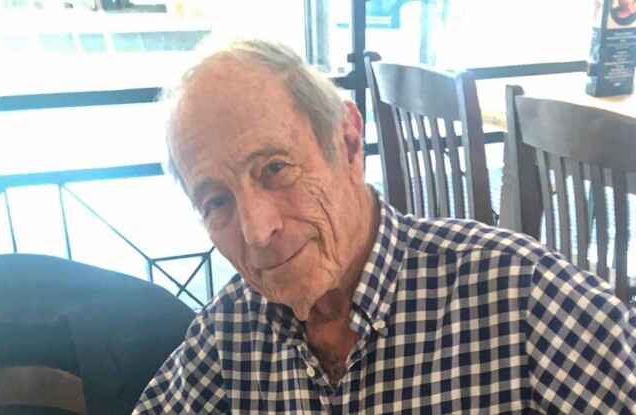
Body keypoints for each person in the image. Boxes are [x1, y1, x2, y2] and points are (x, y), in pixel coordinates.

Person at [133, 38, 636, 414]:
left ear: (349, 145)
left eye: (275, 168)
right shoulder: (230, 331)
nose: (258, 231)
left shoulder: (525, 299)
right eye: (217, 201)